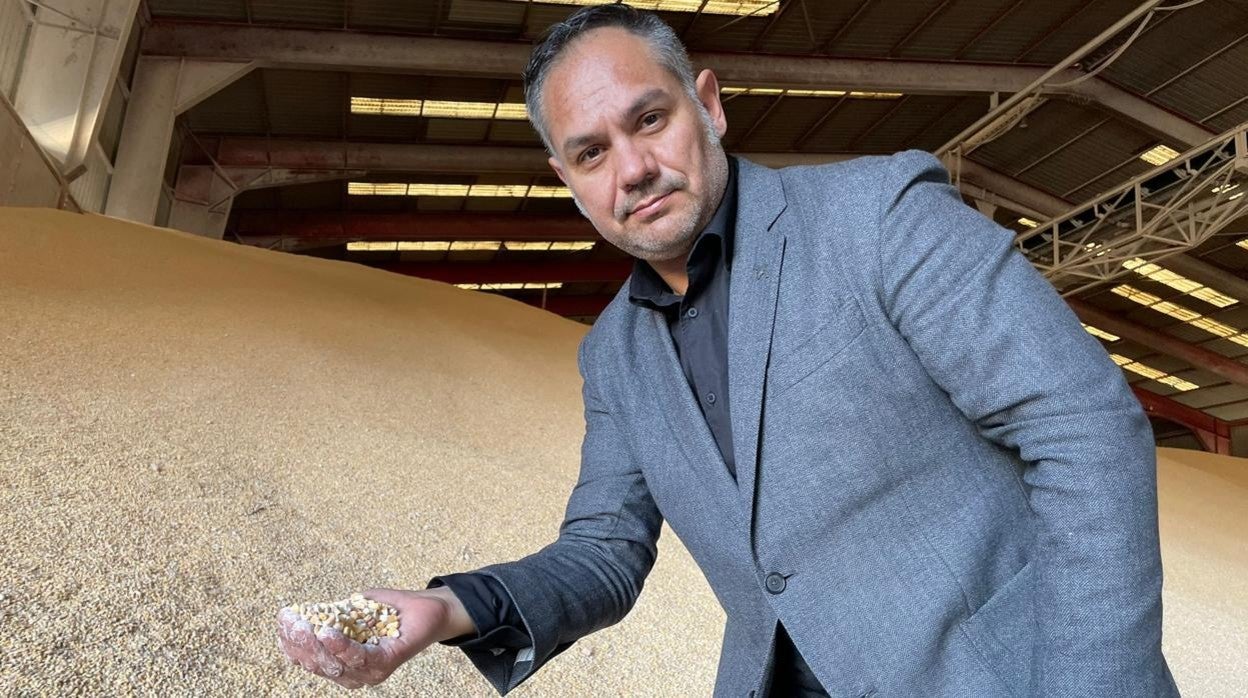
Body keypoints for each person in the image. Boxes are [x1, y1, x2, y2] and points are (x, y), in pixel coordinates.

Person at [276, 5, 1179, 696]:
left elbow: (1083, 427)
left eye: (649, 120)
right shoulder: (615, 359)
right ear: (567, 181)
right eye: (591, 152)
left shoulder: (878, 216)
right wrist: (445, 609)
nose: (631, 169)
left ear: (707, 106)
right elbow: (603, 552)